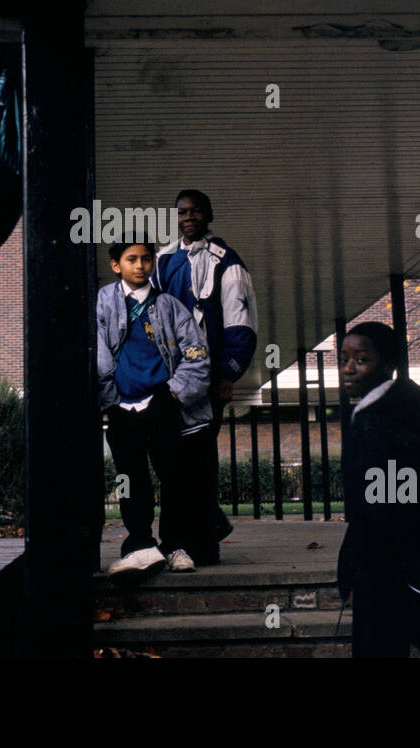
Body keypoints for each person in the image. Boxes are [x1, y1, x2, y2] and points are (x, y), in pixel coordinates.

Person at [335, 322, 420, 658]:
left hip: (379, 566)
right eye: (344, 358)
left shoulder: (373, 424)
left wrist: (351, 568)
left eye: (361, 359)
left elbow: (372, 509)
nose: (348, 369)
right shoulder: (408, 412)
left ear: (387, 364)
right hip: (409, 564)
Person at [153, 189, 257, 564]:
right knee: (168, 460)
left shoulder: (227, 262)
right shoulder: (163, 261)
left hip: (208, 379)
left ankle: (202, 545)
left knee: (199, 459)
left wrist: (229, 373)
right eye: (182, 212)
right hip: (167, 381)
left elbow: (240, 323)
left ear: (208, 215)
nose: (189, 217)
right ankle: (198, 528)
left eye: (196, 211)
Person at [98, 242, 212, 579]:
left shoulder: (169, 306)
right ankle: (139, 545)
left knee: (174, 475)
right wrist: (110, 398)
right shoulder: (103, 302)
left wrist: (173, 394)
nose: (140, 266)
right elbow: (98, 353)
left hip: (161, 403)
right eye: (131, 259)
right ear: (116, 265)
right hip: (121, 405)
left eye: (146, 259)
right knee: (131, 479)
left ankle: (175, 545)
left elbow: (197, 355)